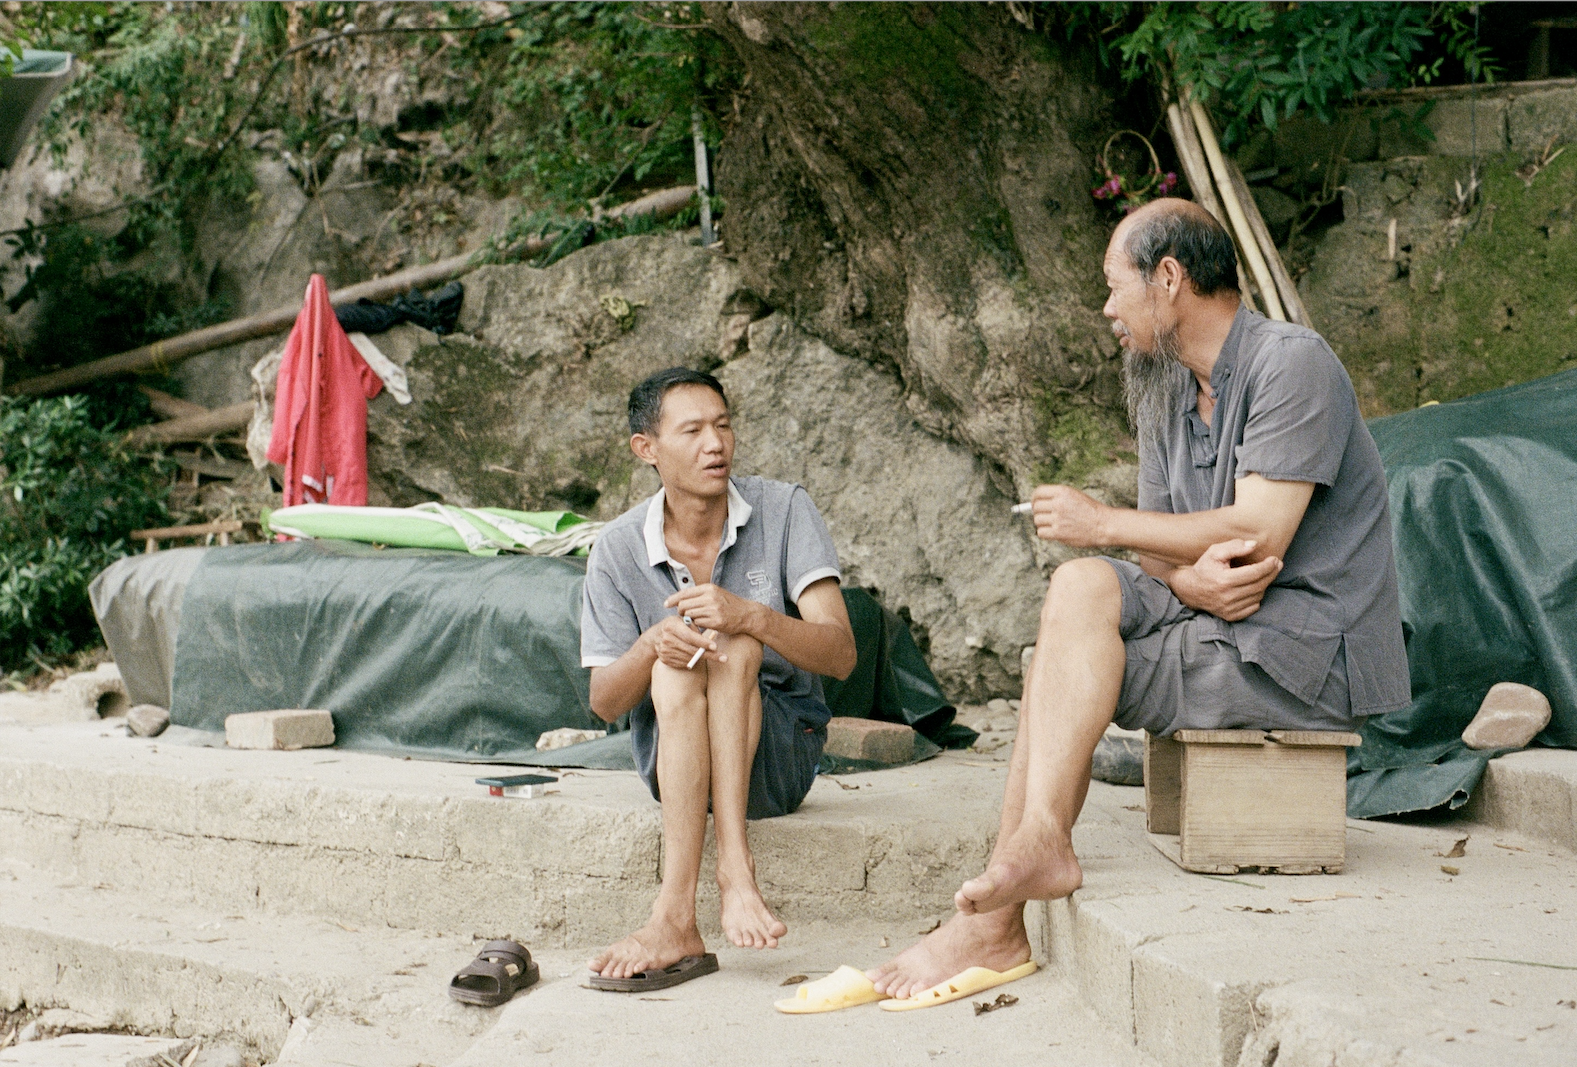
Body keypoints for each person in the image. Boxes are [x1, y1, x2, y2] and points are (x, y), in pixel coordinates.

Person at [869, 197, 1411, 1000]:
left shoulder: (1294, 363)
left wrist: (1099, 521)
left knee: (1064, 645)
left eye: (1115, 286)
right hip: (1218, 620)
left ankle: (996, 914)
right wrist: (1183, 577)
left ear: (1169, 278)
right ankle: (1037, 848)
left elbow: (1260, 532)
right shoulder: (1164, 386)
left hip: (1303, 650)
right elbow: (1162, 547)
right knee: (1078, 586)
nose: (1106, 309)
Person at [580, 367, 857, 987]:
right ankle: (678, 913)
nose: (716, 444)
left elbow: (840, 654)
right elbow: (604, 702)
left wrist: (752, 616)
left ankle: (733, 867)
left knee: (732, 637)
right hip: (676, 770)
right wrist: (652, 644)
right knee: (675, 666)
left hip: (778, 757)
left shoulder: (784, 508)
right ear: (646, 449)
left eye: (724, 426)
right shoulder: (618, 547)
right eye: (694, 430)